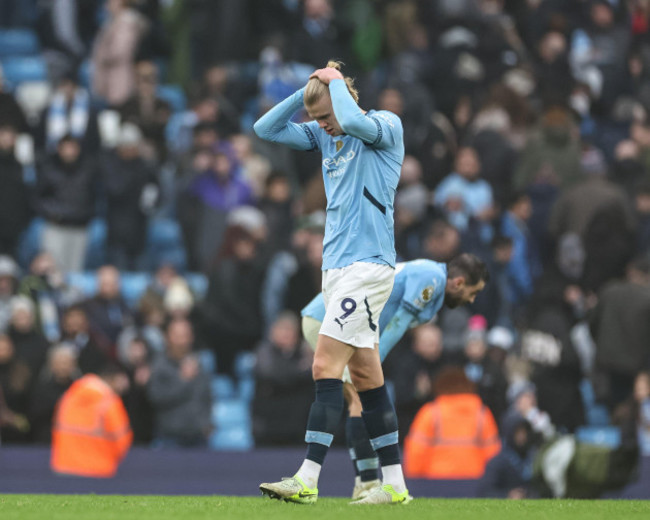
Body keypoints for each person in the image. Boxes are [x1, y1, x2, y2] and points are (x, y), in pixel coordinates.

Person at [254, 60, 408, 504]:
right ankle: (395, 485)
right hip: (336, 270)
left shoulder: (384, 125)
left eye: (325, 116)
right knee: (365, 377)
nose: (323, 125)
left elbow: (354, 120)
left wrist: (335, 82)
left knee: (323, 366)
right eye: (317, 119)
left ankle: (307, 479)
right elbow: (265, 128)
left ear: (346, 99)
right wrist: (309, 94)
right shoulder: (326, 135)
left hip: (368, 265)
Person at [301, 254, 489, 497]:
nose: (471, 300)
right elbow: (398, 323)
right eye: (473, 292)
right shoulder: (430, 278)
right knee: (361, 400)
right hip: (330, 320)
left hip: (340, 323)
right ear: (459, 282)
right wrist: (373, 364)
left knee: (359, 402)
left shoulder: (429, 277)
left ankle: (365, 482)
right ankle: (364, 483)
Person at [403, 366, 501, 479]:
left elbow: (416, 451)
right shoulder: (482, 413)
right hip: (474, 482)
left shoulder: (430, 413)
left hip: (435, 483)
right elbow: (493, 453)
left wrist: (415, 479)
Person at [51, 364, 132, 478]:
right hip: (97, 470)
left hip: (64, 467)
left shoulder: (68, 398)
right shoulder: (109, 402)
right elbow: (122, 440)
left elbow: (57, 430)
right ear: (111, 379)